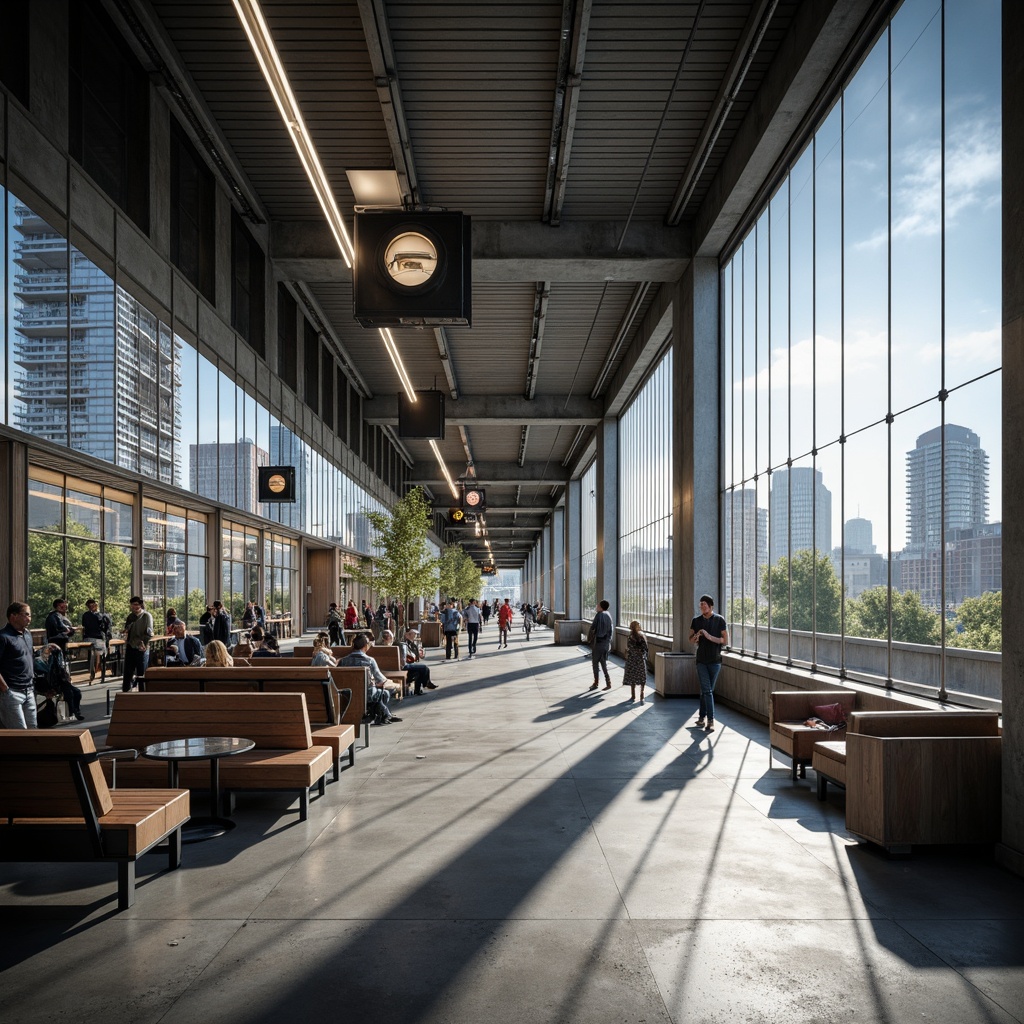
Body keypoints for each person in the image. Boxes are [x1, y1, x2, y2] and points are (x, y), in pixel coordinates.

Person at [0, 603, 51, 728]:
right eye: (26, 615)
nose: (29, 618)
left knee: (32, 731)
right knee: (19, 734)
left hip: (29, 690)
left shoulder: (27, 635)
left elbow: (29, 658)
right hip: (11, 692)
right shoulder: (3, 637)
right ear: (13, 616)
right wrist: (5, 689)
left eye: (30, 615)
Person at [338, 634, 402, 725]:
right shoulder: (369, 660)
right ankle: (380, 715)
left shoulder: (343, 661)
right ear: (365, 646)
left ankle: (380, 714)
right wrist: (394, 684)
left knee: (378, 691)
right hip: (367, 694)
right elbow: (381, 680)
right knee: (386, 692)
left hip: (347, 694)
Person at [689, 595, 729, 733]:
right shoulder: (696, 621)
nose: (702, 607)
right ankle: (710, 720)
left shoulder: (719, 620)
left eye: (705, 605)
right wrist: (697, 636)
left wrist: (709, 636)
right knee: (707, 691)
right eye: (701, 605)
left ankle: (701, 717)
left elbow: (725, 641)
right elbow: (690, 640)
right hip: (701, 660)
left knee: (706, 691)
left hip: (715, 661)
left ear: (711, 606)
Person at [385, 628, 436, 696]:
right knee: (424, 668)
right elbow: (403, 662)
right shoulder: (402, 645)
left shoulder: (389, 645)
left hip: (394, 667)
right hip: (401, 667)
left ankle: (419, 689)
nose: (414, 635)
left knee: (419, 671)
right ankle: (426, 683)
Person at [122, 595, 153, 692]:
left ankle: (142, 693)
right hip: (131, 646)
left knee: (141, 672)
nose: (136, 606)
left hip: (141, 647)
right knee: (128, 671)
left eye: (138, 604)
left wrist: (144, 643)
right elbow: (127, 630)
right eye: (133, 604)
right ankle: (126, 692)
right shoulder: (130, 616)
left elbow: (149, 632)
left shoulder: (146, 616)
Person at [81, 597, 110, 683]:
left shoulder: (85, 615)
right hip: (98, 638)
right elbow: (105, 626)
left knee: (92, 656)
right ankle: (101, 673)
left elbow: (84, 625)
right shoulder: (101, 615)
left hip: (88, 638)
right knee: (101, 655)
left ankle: (93, 672)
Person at [588, 600, 614, 691]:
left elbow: (593, 628)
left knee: (595, 663)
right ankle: (608, 682)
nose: (596, 606)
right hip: (606, 643)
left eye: (598, 605)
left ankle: (596, 682)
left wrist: (589, 639)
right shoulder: (609, 615)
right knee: (603, 663)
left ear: (601, 607)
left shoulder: (599, 615)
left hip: (598, 642)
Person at [623, 620, 650, 702]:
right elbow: (645, 648)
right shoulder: (642, 636)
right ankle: (642, 694)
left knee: (632, 677)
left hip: (632, 659)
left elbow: (629, 648)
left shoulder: (630, 636)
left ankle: (633, 694)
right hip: (640, 659)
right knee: (642, 677)